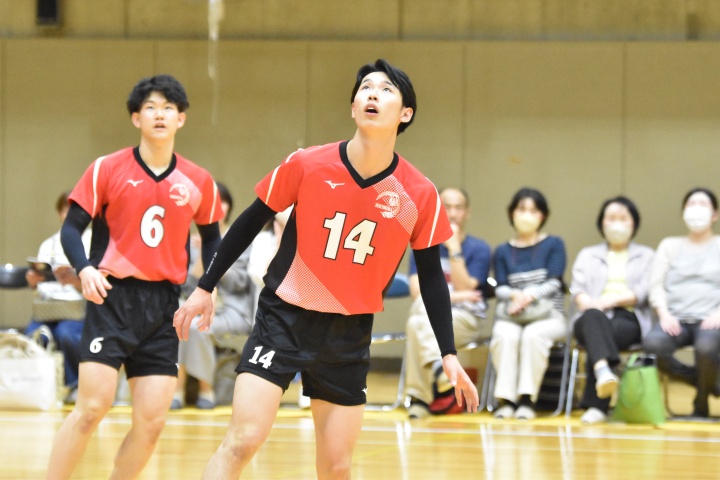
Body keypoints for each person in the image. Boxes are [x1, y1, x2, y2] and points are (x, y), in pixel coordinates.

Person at [174, 59, 479, 479]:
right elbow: (249, 221)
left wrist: (448, 353)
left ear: (405, 113)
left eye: (386, 89)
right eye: (365, 87)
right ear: (353, 107)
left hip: (348, 333)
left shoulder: (420, 194)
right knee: (242, 440)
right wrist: (205, 286)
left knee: (337, 467)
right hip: (284, 317)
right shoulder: (308, 163)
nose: (372, 94)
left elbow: (430, 277)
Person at [45, 74, 224, 480]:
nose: (159, 115)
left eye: (168, 108)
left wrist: (207, 287)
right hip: (112, 299)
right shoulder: (106, 168)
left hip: (163, 307)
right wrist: (84, 268)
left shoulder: (199, 180)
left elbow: (213, 239)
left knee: (152, 422)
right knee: (91, 409)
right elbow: (71, 229)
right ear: (135, 118)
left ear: (181, 119)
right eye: (150, 108)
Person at [404, 186, 491, 419]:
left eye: (458, 208)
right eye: (447, 207)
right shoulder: (423, 245)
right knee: (417, 321)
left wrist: (454, 250)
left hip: (466, 318)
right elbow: (417, 292)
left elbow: (464, 287)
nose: (452, 213)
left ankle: (419, 399)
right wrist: (457, 296)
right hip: (430, 315)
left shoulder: (479, 249)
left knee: (417, 322)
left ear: (467, 212)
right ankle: (437, 370)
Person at [570, 196, 655, 424]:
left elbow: (643, 292)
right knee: (594, 322)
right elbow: (578, 291)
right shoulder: (587, 255)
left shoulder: (647, 255)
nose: (617, 223)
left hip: (627, 316)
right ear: (602, 222)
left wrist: (607, 302)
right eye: (611, 218)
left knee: (598, 335)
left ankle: (598, 396)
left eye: (623, 218)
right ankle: (603, 375)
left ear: (634, 223)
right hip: (589, 315)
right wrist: (593, 305)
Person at [172, 182, 255, 410]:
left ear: (229, 206)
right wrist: (202, 256)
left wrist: (216, 257)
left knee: (197, 326)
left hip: (232, 310)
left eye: (222, 201)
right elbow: (188, 289)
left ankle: (204, 388)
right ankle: (178, 389)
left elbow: (239, 282)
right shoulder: (192, 242)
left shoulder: (241, 239)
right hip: (200, 307)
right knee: (183, 321)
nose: (218, 206)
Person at [490, 187, 567, 420]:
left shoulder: (554, 244)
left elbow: (555, 282)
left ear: (543, 215)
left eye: (533, 210)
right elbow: (500, 286)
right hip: (512, 315)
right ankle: (506, 400)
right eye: (521, 209)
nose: (526, 215)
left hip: (549, 315)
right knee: (504, 335)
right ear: (512, 213)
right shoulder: (502, 250)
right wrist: (514, 295)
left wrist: (529, 295)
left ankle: (527, 399)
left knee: (533, 335)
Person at [643, 187, 720, 418]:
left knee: (706, 348)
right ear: (683, 212)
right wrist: (664, 314)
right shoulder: (669, 245)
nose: (696, 209)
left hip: (711, 320)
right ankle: (705, 381)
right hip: (675, 319)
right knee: (653, 344)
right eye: (691, 204)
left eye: (702, 204)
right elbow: (656, 285)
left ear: (715, 215)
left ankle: (701, 402)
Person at [25, 191, 91, 403]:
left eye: (75, 210)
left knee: (66, 334)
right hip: (49, 307)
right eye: (65, 209)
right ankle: (38, 387)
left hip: (81, 308)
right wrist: (34, 282)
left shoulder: (93, 240)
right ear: (59, 213)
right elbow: (39, 288)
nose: (69, 214)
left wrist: (77, 283)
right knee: (33, 335)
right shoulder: (49, 244)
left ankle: (75, 385)